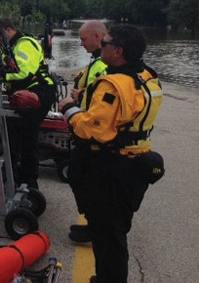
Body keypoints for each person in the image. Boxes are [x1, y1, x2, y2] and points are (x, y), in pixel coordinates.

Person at [59, 25, 163, 283]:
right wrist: (89, 94)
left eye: (104, 43)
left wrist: (70, 108)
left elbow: (92, 130)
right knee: (116, 230)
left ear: (118, 51)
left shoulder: (113, 85)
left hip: (111, 169)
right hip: (136, 163)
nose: (100, 46)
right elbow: (128, 107)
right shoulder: (148, 76)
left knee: (108, 237)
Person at [0, 18, 56, 190]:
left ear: (9, 30)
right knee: (13, 133)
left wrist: (1, 77)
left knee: (27, 136)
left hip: (38, 92)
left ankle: (29, 181)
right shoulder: (9, 47)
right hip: (23, 95)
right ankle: (13, 175)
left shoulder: (25, 44)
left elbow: (24, 73)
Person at [68, 20, 108, 243]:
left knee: (83, 178)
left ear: (97, 37)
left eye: (83, 39)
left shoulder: (103, 63)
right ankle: (94, 223)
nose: (81, 43)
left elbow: (101, 97)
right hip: (88, 126)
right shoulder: (98, 61)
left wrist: (79, 96)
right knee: (82, 177)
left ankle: (95, 225)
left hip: (93, 131)